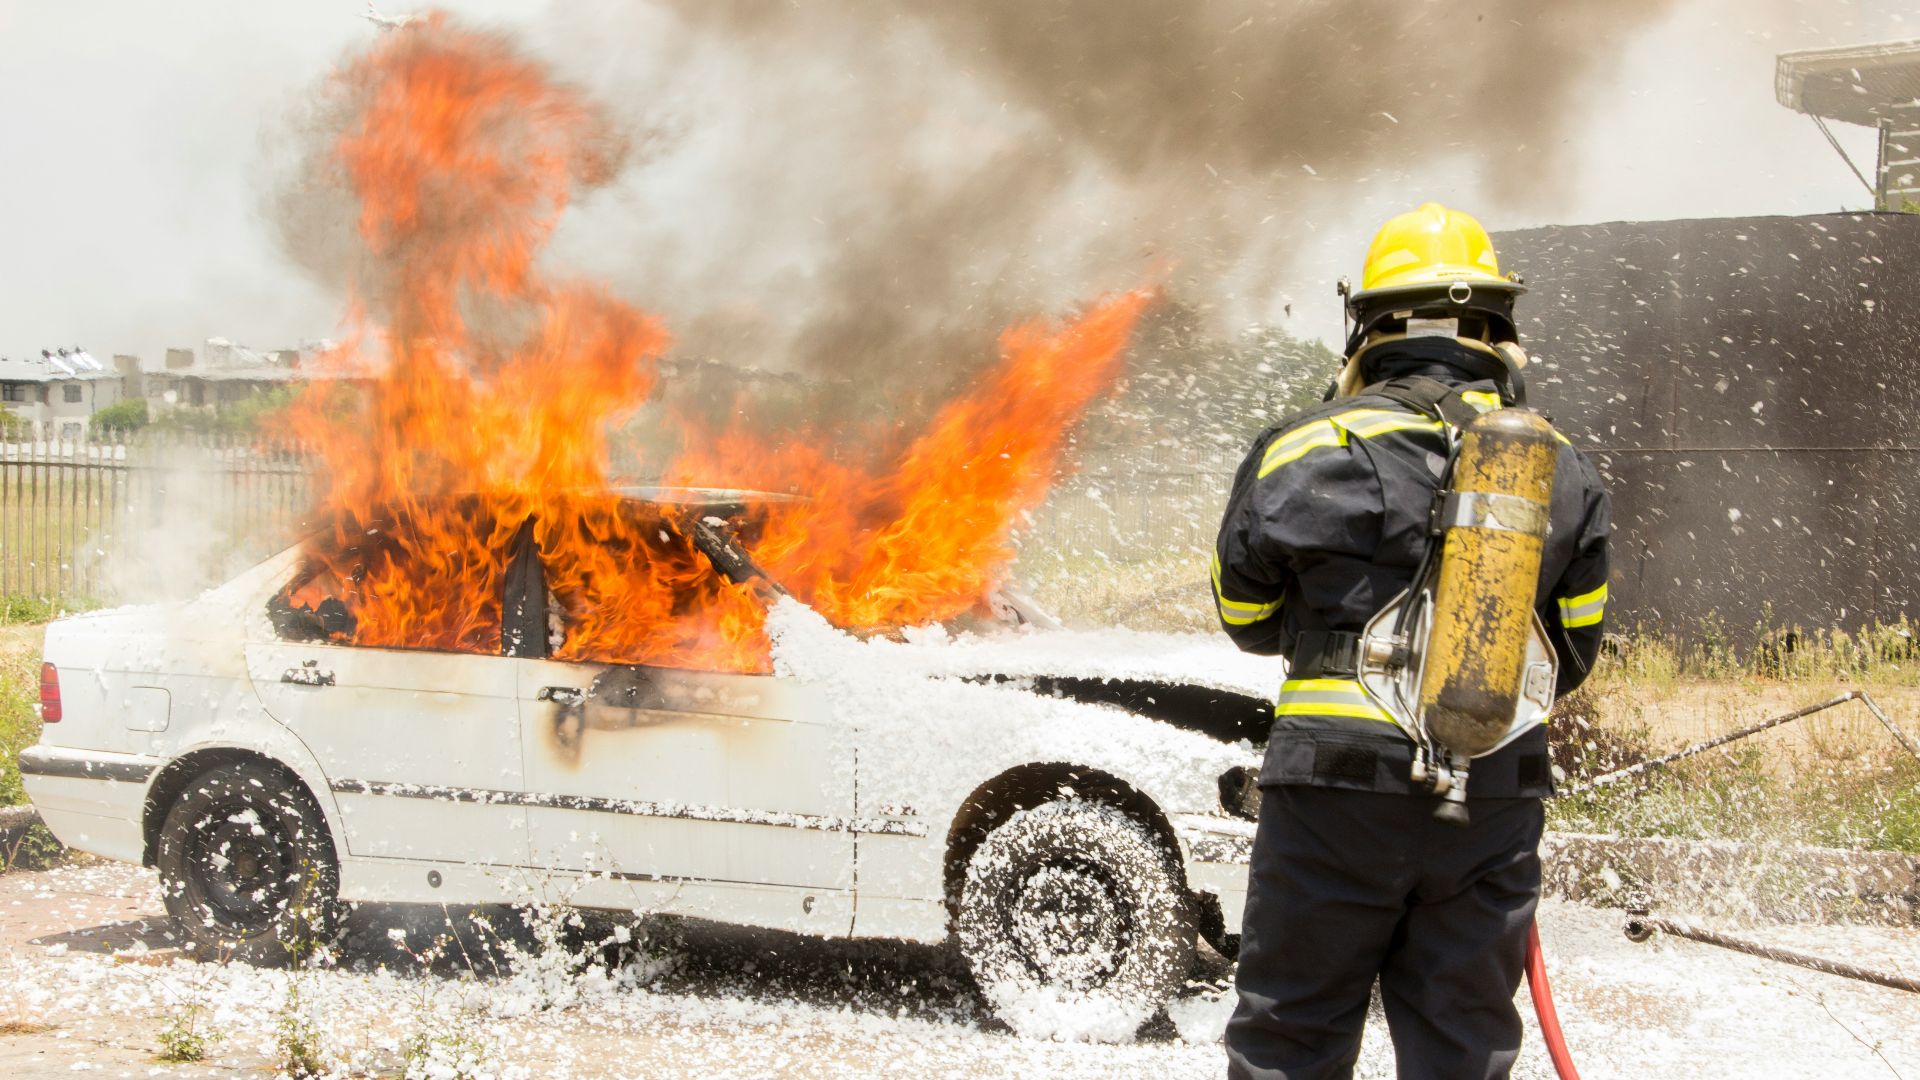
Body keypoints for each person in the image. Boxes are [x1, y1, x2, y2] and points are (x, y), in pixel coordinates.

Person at [1214, 203, 1611, 1080]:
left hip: (1332, 797)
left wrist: (1332, 630)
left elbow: (1242, 619)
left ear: (1369, 324)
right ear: (1498, 326)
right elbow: (1572, 656)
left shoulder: (1300, 448)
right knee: (1462, 1048)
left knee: (1293, 1037)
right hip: (1492, 798)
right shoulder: (1562, 467)